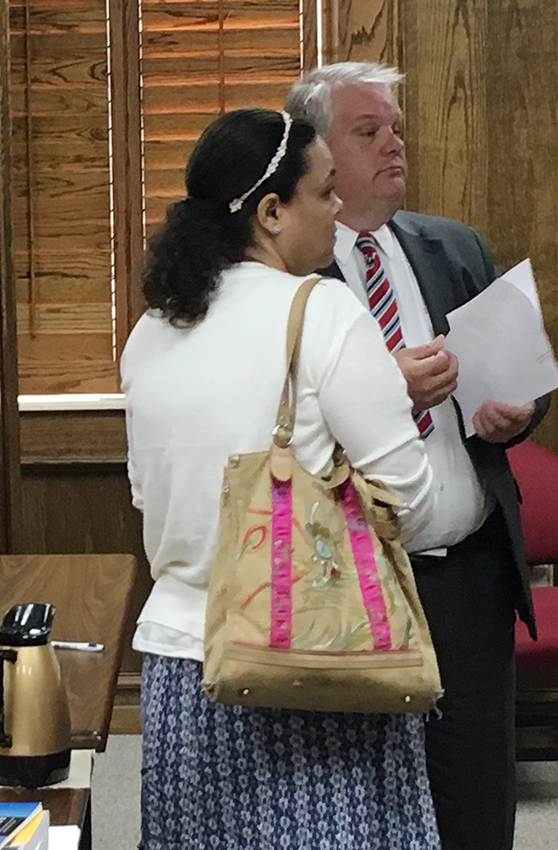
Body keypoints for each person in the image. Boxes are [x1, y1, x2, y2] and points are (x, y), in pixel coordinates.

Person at [121, 107, 441, 848]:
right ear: (271, 211)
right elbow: (412, 505)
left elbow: (145, 494)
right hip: (311, 665)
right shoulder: (323, 311)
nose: (337, 212)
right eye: (324, 193)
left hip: (181, 666)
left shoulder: (152, 329)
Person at [287, 63, 550, 850]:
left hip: (469, 577)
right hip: (353, 586)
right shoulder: (288, 275)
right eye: (369, 132)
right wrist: (384, 391)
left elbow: (528, 378)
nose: (394, 145)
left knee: (474, 800)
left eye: (395, 127)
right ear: (319, 154)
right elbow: (272, 431)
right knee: (360, 810)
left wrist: (517, 412)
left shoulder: (453, 246)